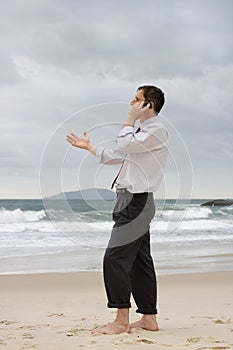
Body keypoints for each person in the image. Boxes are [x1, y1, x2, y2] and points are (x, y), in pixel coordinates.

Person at [66, 85, 169, 335]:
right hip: (133, 202)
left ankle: (121, 320)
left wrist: (129, 119)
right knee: (139, 262)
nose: (131, 103)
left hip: (136, 202)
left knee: (114, 258)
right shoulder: (142, 134)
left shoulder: (155, 130)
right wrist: (89, 147)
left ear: (149, 105)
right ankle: (148, 318)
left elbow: (124, 146)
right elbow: (117, 155)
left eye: (137, 99)